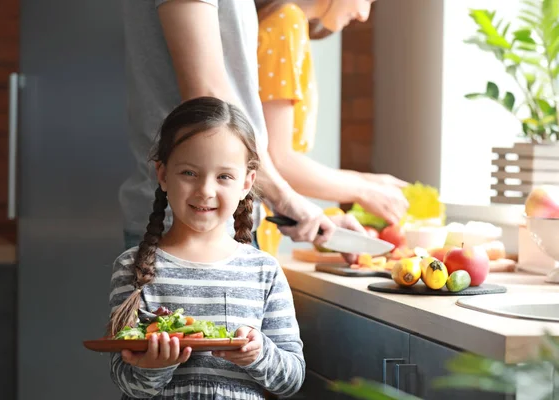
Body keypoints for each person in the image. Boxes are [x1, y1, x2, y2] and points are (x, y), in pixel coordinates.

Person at [119, 0, 363, 256]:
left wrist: (292, 204)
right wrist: (284, 198)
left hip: (223, 226)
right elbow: (208, 99)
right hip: (187, 232)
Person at [108, 97, 305, 399]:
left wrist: (258, 353)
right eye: (189, 173)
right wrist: (153, 367)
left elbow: (291, 380)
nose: (205, 191)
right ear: (162, 175)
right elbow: (125, 380)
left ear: (246, 182)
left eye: (224, 176)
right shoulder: (131, 267)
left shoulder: (263, 271)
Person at [254, 0, 409, 225]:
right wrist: (365, 191)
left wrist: (368, 181)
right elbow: (278, 161)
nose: (363, 15)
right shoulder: (286, 22)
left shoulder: (285, 20)